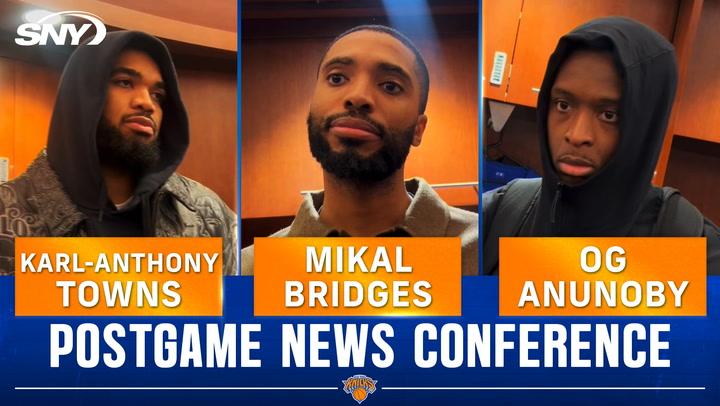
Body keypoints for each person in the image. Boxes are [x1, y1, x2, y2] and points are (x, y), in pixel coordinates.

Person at [482, 17, 720, 275]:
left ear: (647, 123)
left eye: (609, 115)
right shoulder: (502, 211)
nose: (577, 135)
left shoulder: (695, 252)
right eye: (563, 105)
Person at [241, 25, 478, 275]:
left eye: (390, 86)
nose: (358, 96)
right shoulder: (249, 270)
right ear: (311, 110)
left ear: (418, 130)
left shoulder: (485, 247)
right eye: (337, 78)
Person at [0, 31, 237, 275]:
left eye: (158, 95)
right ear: (81, 97)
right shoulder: (7, 214)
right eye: (125, 82)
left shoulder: (206, 213)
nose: (147, 103)